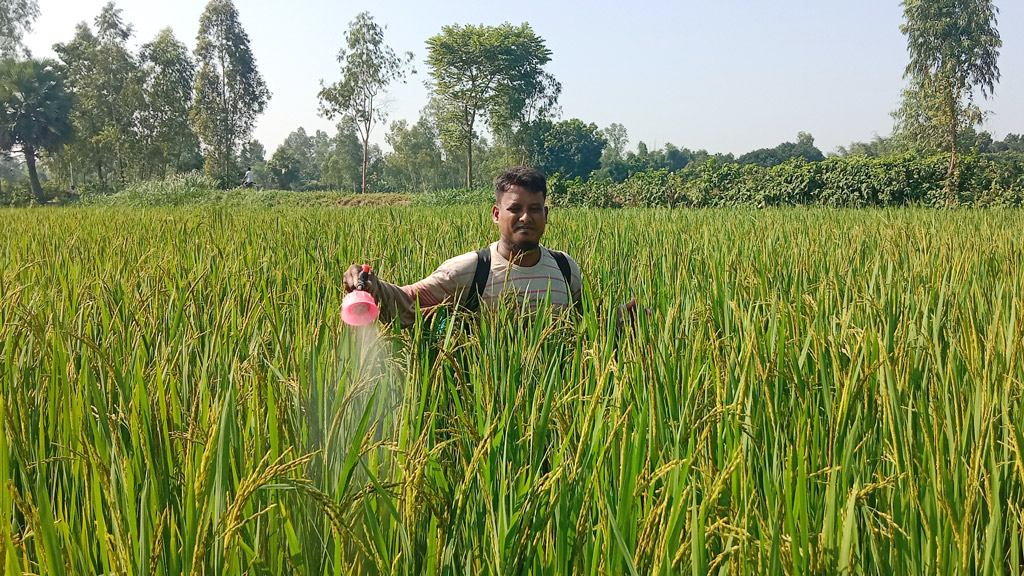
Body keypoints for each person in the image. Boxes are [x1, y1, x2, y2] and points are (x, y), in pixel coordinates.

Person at [344, 166, 590, 328]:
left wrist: (623, 317)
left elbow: (587, 328)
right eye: (515, 209)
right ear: (496, 214)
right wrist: (371, 286)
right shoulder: (471, 270)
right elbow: (409, 303)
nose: (525, 217)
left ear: (545, 214)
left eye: (534, 209)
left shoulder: (565, 269)